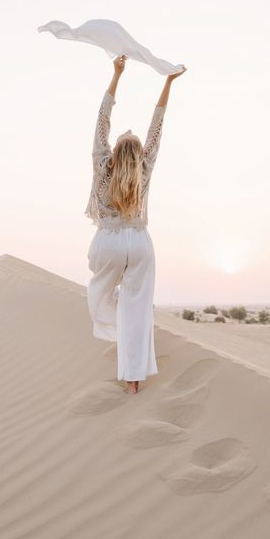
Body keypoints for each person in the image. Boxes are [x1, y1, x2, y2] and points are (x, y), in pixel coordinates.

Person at [85, 54, 187, 394]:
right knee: (138, 309)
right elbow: (157, 125)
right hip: (139, 242)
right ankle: (133, 379)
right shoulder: (144, 167)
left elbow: (102, 119)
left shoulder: (103, 164)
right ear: (138, 151)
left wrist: (116, 75)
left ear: (115, 151)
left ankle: (117, 324)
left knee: (99, 297)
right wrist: (168, 82)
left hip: (108, 241)